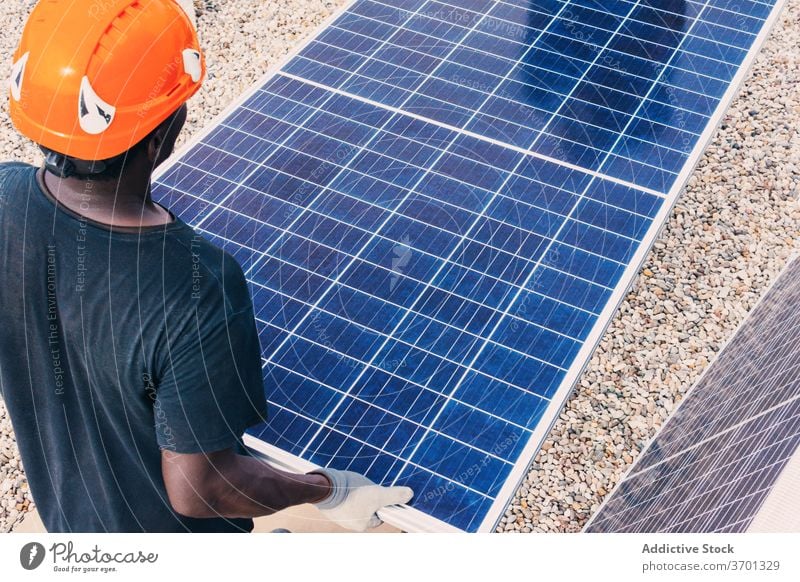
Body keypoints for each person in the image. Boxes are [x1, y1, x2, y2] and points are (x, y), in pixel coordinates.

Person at [0, 0, 412, 533]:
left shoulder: (5, 195)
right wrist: (325, 489)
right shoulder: (194, 284)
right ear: (159, 135)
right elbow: (203, 488)